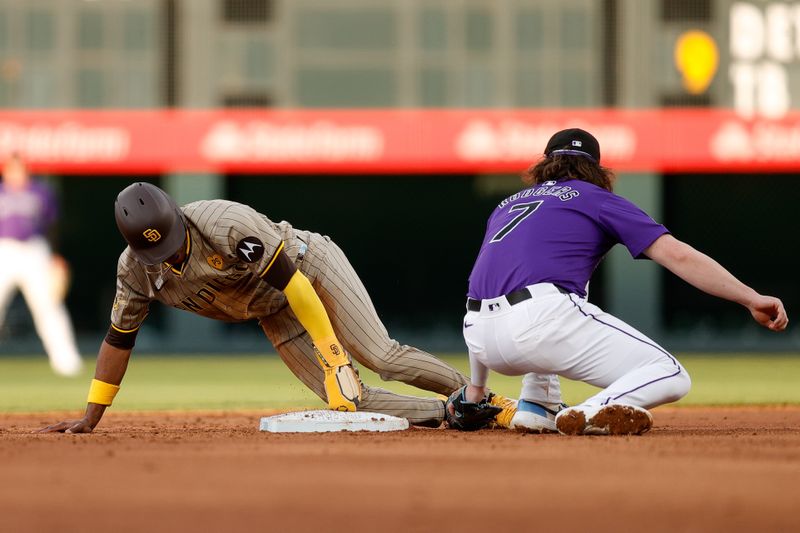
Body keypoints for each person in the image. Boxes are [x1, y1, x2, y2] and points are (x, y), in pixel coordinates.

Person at [40, 182, 522, 433]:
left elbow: (290, 280)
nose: (168, 253)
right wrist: (92, 413)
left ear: (178, 217)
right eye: (154, 249)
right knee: (346, 400)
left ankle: (487, 399)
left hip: (308, 270)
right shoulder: (135, 271)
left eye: (170, 240)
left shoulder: (225, 223)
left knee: (379, 357)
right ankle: (456, 411)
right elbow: (118, 340)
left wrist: (333, 354)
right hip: (271, 312)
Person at [449, 128, 788, 436]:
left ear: (545, 166)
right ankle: (588, 411)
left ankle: (537, 405)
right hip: (540, 323)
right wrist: (749, 297)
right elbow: (678, 256)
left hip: (479, 335)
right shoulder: (595, 199)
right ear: (596, 169)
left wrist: (477, 389)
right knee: (669, 374)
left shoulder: (506, 205)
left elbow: (484, 281)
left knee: (557, 285)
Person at [0, 153, 83, 376]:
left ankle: (67, 362)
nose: (16, 173)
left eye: (20, 169)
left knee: (48, 306)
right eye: (12, 169)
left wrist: (55, 255)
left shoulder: (41, 192)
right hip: (4, 250)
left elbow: (52, 226)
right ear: (6, 171)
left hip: (34, 250)